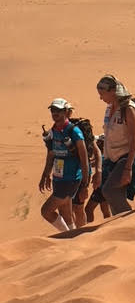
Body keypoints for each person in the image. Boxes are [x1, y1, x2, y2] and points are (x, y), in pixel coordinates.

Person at [96, 75, 135, 214]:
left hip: (128, 157)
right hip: (112, 158)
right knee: (114, 196)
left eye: (102, 94)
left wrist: (128, 169)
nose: (101, 98)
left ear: (113, 91)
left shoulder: (128, 108)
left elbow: (134, 138)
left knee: (108, 190)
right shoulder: (110, 108)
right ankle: (122, 230)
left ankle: (133, 221)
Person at [39, 98, 89, 232]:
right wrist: (45, 175)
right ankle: (72, 237)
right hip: (58, 178)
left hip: (70, 179)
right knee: (66, 215)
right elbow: (51, 154)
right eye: (53, 110)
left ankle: (66, 236)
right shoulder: (53, 131)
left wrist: (85, 185)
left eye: (58, 110)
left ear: (66, 112)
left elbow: (84, 160)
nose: (55, 113)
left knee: (46, 211)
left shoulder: (74, 132)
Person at [67, 108, 103, 228]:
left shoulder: (79, 130)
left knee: (78, 207)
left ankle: (80, 234)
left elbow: (97, 152)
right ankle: (73, 232)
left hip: (82, 173)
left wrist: (98, 172)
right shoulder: (61, 130)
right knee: (68, 207)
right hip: (67, 174)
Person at [85, 134, 111, 223]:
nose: (97, 143)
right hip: (104, 187)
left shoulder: (103, 157)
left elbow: (93, 163)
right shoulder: (108, 155)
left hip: (101, 188)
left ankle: (89, 229)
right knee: (105, 210)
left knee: (88, 209)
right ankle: (109, 228)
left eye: (99, 142)